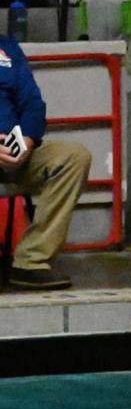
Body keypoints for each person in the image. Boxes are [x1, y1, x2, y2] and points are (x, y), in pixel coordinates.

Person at [0, 34, 91, 290]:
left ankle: (31, 261)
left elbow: (33, 104)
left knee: (74, 157)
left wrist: (27, 139)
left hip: (15, 149)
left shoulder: (7, 49)